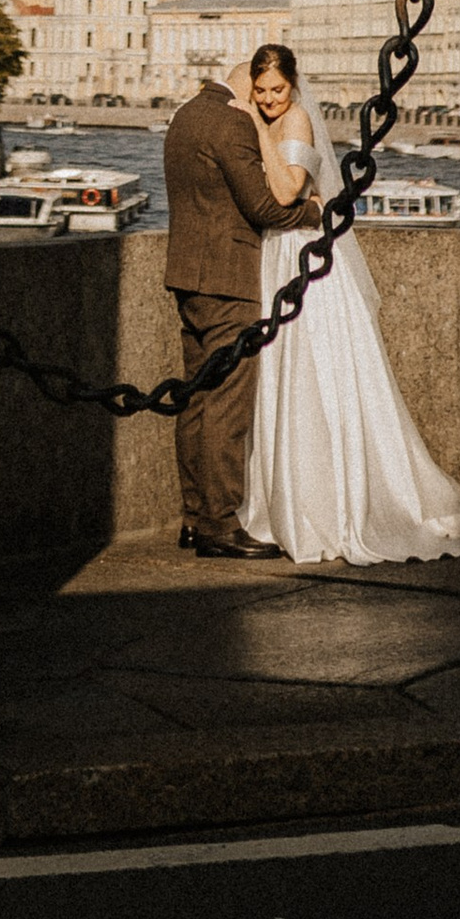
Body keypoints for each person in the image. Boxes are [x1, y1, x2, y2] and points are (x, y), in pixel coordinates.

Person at [235, 44, 460, 568]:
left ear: (294, 86)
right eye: (259, 92)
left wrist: (257, 130)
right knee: (288, 376)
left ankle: (329, 506)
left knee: (313, 375)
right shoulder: (279, 114)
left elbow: (286, 193)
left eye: (276, 90)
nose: (268, 100)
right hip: (281, 254)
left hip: (305, 261)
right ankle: (294, 501)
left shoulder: (297, 122)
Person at [161, 56, 320, 560]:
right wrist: (316, 210)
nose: (266, 100)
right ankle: (220, 524)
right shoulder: (232, 122)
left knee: (196, 399)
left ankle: (192, 516)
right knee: (226, 404)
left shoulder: (184, 115)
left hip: (187, 275)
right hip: (227, 279)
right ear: (246, 87)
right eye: (260, 90)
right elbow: (267, 208)